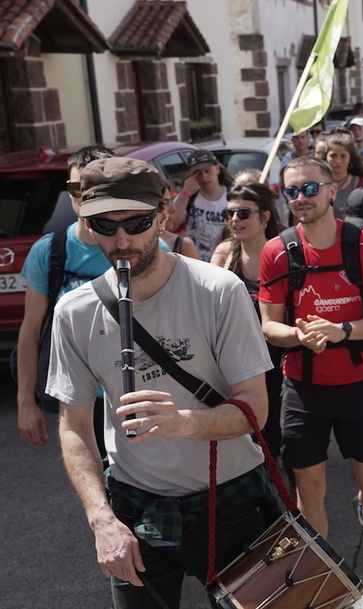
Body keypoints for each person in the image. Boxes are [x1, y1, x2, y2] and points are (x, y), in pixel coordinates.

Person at [49, 157, 279, 609]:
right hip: (137, 508)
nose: (122, 241)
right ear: (88, 225)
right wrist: (101, 519)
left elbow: (256, 407)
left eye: (136, 223)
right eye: (105, 226)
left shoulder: (219, 290)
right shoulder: (74, 312)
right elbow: (74, 425)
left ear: (163, 215)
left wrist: (185, 423)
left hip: (232, 501)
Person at [259, 156, 363, 559]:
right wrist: (299, 336)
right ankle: (323, 572)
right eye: (291, 191)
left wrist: (344, 331)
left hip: (359, 384)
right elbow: (268, 325)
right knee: (309, 493)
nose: (301, 197)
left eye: (310, 188)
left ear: (331, 191)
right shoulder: (277, 250)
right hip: (303, 390)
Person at [16, 145, 115, 448]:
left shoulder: (143, 248)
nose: (84, 196)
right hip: (76, 399)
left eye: (93, 187)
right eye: (76, 188)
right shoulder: (49, 251)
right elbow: (31, 330)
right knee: (88, 476)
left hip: (133, 394)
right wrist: (26, 402)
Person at [211, 181, 284, 457]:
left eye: (243, 213)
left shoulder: (282, 252)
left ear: (265, 216)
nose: (234, 220)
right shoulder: (224, 253)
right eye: (229, 213)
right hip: (235, 358)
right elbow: (208, 306)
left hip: (276, 357)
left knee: (274, 429)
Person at [171, 149, 234, 261]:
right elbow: (172, 225)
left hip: (227, 259)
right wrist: (185, 193)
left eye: (207, 171)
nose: (204, 177)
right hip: (199, 262)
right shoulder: (188, 198)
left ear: (217, 169)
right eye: (198, 173)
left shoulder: (232, 196)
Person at [324, 132, 363, 221]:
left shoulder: (361, 185)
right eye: (333, 156)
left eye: (343, 156)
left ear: (350, 158)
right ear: (325, 157)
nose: (338, 161)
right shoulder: (319, 184)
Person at [158, 182, 198, 259]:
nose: (173, 209)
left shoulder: (183, 245)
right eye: (165, 203)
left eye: (171, 201)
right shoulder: (134, 243)